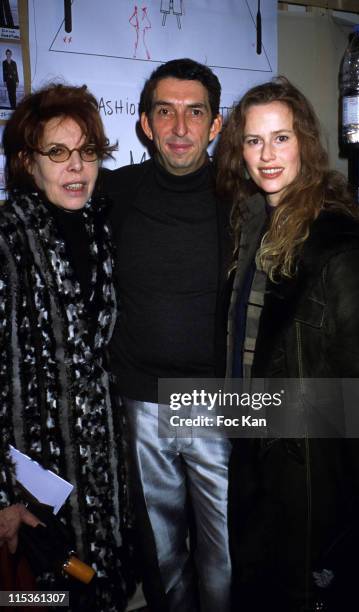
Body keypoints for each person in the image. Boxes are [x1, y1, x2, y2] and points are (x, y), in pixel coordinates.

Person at [216, 77, 359, 612]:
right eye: (254, 141)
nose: (267, 154)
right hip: (255, 449)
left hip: (315, 473)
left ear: (304, 142)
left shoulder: (340, 246)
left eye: (281, 138)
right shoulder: (254, 224)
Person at [102, 58, 232, 612]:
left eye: (194, 112)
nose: (180, 128)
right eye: (166, 112)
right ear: (145, 124)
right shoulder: (113, 194)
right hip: (142, 403)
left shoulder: (244, 199)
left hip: (221, 403)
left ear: (216, 124)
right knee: (161, 559)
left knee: (226, 553)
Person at [0, 83, 134, 612]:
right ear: (26, 163)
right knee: (44, 600)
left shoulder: (101, 229)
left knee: (99, 591)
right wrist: (3, 498)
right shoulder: (7, 240)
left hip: (101, 477)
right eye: (58, 153)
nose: (76, 167)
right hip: (31, 482)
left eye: (87, 152)